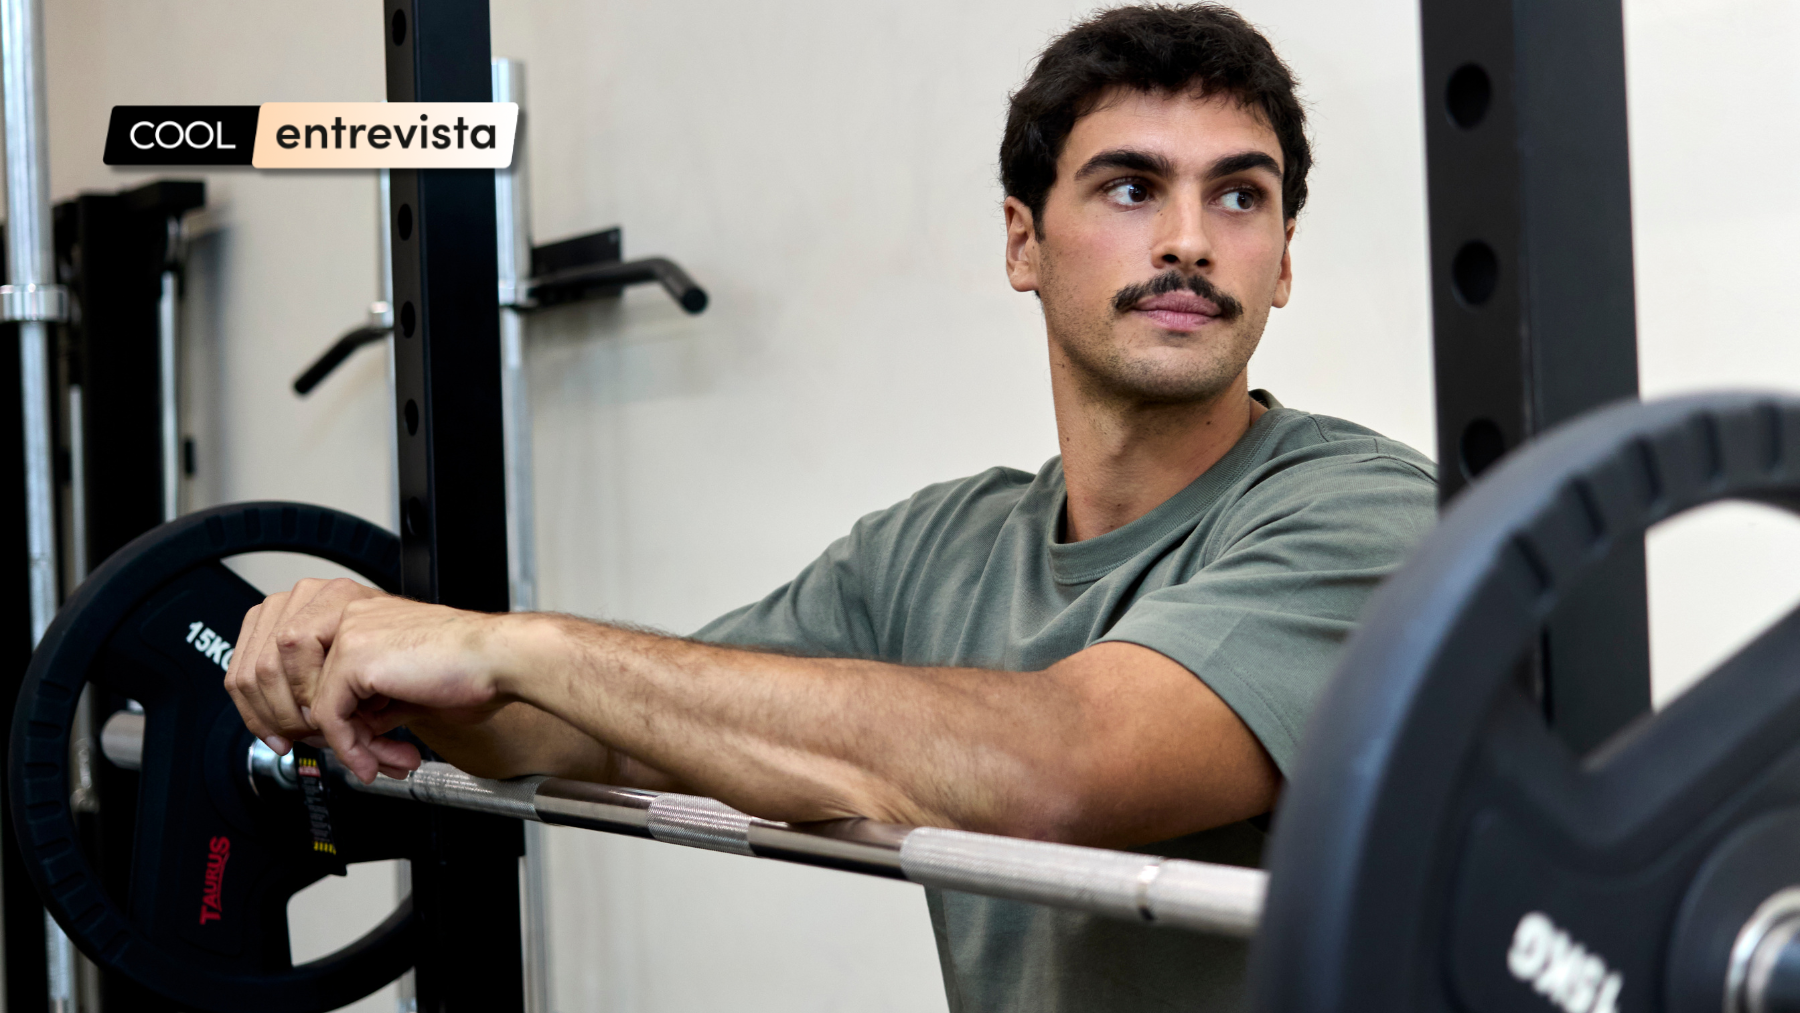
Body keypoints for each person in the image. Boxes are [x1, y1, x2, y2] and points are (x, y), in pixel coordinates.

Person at [225, 5, 1436, 1010]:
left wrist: (518, 640)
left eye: (1240, 198)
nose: (1188, 240)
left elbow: (1060, 775)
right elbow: (606, 732)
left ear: (1283, 258)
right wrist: (379, 656)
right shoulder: (932, 550)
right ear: (1023, 240)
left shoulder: (1371, 519)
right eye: (1130, 189)